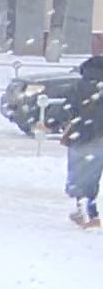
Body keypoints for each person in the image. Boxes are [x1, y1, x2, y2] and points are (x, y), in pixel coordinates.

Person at [61, 55, 103, 227]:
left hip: (84, 137)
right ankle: (87, 213)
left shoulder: (78, 87)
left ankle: (87, 213)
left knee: (83, 179)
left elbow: (67, 110)